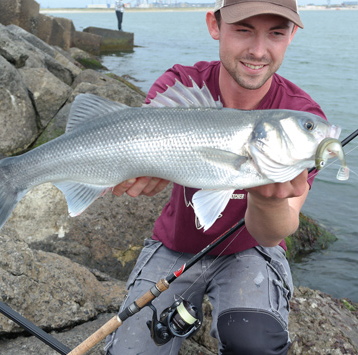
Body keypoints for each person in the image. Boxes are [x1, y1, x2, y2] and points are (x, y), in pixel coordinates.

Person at [105, 0, 327, 353]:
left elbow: (274, 231)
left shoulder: (301, 120)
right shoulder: (182, 84)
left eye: (276, 33)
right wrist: (125, 171)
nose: (258, 50)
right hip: (175, 244)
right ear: (214, 25)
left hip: (252, 249)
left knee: (255, 345)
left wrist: (266, 199)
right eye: (243, 30)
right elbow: (139, 143)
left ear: (292, 34)